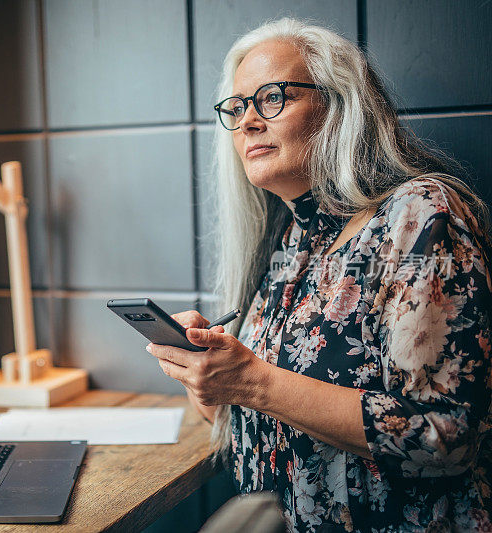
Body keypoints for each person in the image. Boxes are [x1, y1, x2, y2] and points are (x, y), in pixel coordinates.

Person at [146, 18, 492, 532]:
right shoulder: (292, 238)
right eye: (237, 108)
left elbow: (445, 435)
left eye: (271, 97)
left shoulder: (419, 216)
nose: (248, 123)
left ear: (339, 105)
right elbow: (262, 420)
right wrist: (210, 384)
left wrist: (250, 381)